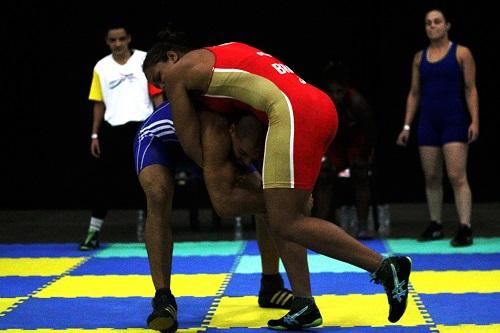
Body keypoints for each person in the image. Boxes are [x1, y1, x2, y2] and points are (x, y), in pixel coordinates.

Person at [142, 28, 412, 330]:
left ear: (171, 57)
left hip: (293, 114)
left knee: (286, 219)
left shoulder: (181, 72)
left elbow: (191, 143)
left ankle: (386, 268)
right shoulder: (225, 49)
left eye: (158, 78)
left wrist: (222, 166)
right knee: (280, 212)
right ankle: (304, 303)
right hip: (317, 106)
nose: (162, 88)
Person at [134, 102, 295, 332]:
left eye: (252, 156)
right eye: (243, 153)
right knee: (158, 196)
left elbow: (248, 171)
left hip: (203, 146)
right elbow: (224, 205)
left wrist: (272, 197)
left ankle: (271, 284)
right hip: (158, 143)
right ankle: (163, 298)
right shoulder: (215, 133)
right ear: (232, 133)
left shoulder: (242, 134)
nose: (246, 161)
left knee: (262, 191)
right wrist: (289, 202)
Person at [396, 9, 479, 247]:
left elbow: (470, 89)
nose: (432, 26)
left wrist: (474, 120)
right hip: (428, 123)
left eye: (437, 22)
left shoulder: (462, 53)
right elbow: (414, 93)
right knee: (431, 176)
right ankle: (435, 224)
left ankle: (465, 226)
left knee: (456, 175)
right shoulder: (419, 58)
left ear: (447, 25)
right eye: (428, 23)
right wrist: (406, 125)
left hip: (454, 120)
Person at [79, 23, 164, 251]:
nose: (117, 44)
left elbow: (157, 95)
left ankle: (154, 233)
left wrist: (161, 125)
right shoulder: (101, 67)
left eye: (121, 39)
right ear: (107, 42)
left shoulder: (145, 60)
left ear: (129, 39)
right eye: (113, 40)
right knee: (102, 184)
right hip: (113, 130)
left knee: (150, 182)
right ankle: (93, 233)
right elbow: (98, 102)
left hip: (143, 129)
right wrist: (95, 134)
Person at [314, 61, 377, 239]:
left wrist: (363, 156)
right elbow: (317, 135)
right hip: (333, 142)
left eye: (339, 92)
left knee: (361, 174)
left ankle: (362, 225)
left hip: (355, 141)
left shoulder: (357, 102)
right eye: (331, 92)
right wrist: (323, 157)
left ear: (346, 89)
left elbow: (370, 132)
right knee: (324, 175)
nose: (335, 97)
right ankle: (320, 226)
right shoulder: (321, 103)